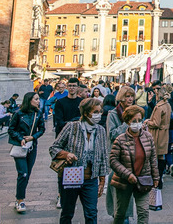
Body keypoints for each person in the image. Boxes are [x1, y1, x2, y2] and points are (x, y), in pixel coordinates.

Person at [49, 98, 109, 224]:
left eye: (100, 111)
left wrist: (102, 181)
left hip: (91, 178)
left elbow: (104, 156)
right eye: (96, 112)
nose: (99, 115)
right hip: (71, 176)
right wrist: (66, 154)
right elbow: (54, 147)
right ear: (86, 113)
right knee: (67, 212)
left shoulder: (101, 130)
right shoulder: (72, 127)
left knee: (91, 212)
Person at [110, 105, 159, 224]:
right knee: (121, 212)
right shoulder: (120, 139)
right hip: (124, 182)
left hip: (143, 180)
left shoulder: (148, 137)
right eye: (134, 121)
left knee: (143, 212)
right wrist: (127, 175)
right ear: (127, 122)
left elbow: (153, 158)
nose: (137, 123)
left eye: (139, 120)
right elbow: (113, 160)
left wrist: (156, 177)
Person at [8, 91, 45, 213]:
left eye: (38, 99)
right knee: (22, 173)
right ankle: (20, 200)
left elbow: (42, 129)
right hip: (20, 146)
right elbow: (11, 129)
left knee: (27, 174)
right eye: (36, 99)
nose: (38, 101)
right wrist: (20, 138)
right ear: (29, 100)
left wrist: (33, 137)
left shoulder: (38, 113)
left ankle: (20, 196)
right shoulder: (18, 113)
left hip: (32, 146)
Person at [106, 86, 135, 220]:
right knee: (116, 185)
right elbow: (112, 134)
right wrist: (126, 124)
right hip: (116, 154)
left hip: (131, 154)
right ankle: (116, 213)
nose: (130, 99)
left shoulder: (135, 112)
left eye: (132, 96)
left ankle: (125, 216)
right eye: (127, 96)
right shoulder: (113, 114)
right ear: (121, 97)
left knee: (127, 187)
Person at [146, 87, 171, 187]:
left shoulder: (159, 107)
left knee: (155, 156)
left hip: (157, 134)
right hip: (164, 133)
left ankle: (157, 178)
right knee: (161, 156)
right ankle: (160, 178)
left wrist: (147, 121)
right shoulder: (167, 105)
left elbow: (156, 123)